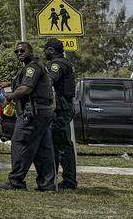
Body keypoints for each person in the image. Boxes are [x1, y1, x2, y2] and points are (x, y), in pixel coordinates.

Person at [0, 41, 56, 191]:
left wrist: (9, 97)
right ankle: (47, 184)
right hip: (43, 113)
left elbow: (26, 88)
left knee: (20, 144)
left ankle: (15, 182)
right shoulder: (35, 67)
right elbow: (28, 83)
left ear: (30, 51)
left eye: (22, 51)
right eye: (17, 52)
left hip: (32, 114)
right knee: (43, 150)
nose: (19, 53)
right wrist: (10, 83)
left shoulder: (32, 68)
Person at [43, 38, 77, 190]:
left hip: (60, 110)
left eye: (45, 50)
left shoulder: (57, 65)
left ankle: (66, 181)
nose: (44, 52)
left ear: (51, 50)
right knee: (61, 145)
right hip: (64, 108)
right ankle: (60, 179)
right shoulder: (66, 63)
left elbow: (48, 82)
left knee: (60, 145)